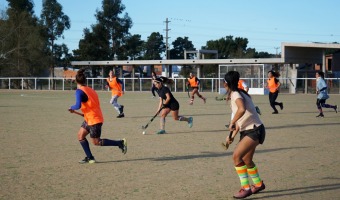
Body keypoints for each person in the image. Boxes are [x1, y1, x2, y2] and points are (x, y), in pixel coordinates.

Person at [68, 69, 127, 164]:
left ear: (76, 81)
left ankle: (120, 143)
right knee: (80, 135)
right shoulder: (90, 90)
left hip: (94, 120)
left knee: (96, 142)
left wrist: (71, 108)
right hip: (90, 118)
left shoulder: (79, 91)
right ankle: (90, 157)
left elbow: (78, 105)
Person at [224, 71, 266, 199]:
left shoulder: (236, 94)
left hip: (254, 130)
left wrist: (231, 122)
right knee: (247, 160)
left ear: (226, 83)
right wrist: (231, 136)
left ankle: (246, 188)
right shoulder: (242, 93)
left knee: (236, 157)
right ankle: (258, 184)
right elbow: (240, 121)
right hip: (252, 130)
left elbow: (241, 110)